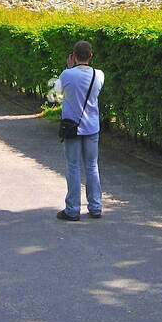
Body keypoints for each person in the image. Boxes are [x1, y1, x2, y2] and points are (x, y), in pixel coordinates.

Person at [56, 40, 104, 221]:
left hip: (72, 128)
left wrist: (68, 68)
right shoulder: (99, 75)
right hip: (92, 127)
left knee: (73, 168)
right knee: (92, 167)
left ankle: (73, 209)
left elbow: (57, 93)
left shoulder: (66, 75)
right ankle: (96, 206)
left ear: (73, 56)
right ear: (90, 56)